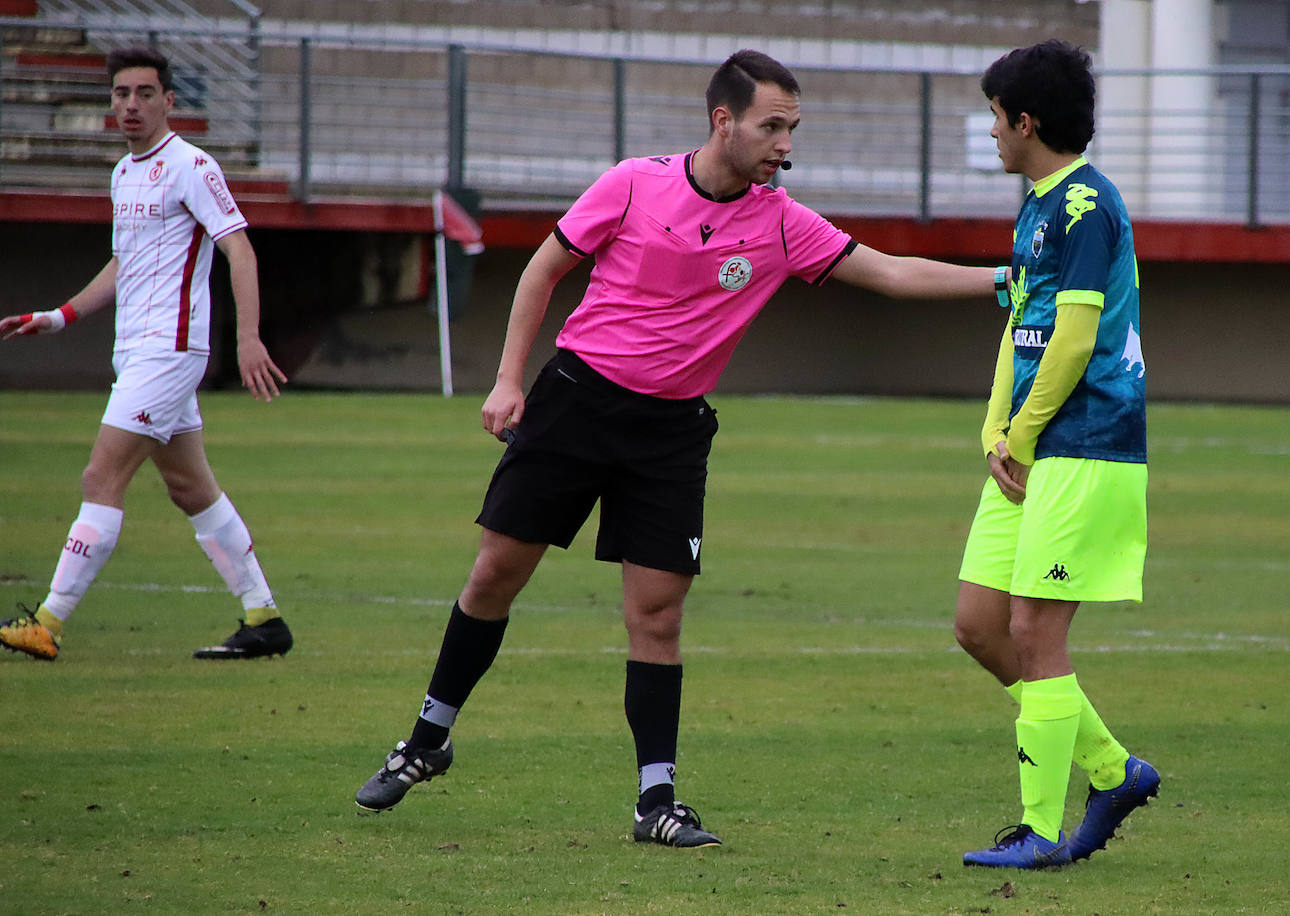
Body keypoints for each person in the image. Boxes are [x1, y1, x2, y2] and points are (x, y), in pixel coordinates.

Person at [353, 49, 1004, 847]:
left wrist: (1003, 281)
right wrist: (506, 379)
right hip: (575, 403)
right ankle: (426, 741)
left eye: (793, 129)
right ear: (721, 121)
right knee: (495, 575)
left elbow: (893, 274)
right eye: (772, 127)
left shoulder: (781, 220)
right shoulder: (632, 182)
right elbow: (542, 271)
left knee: (656, 616)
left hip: (670, 433)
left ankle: (656, 803)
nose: (785, 146)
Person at [0, 47, 293, 662]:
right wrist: (60, 315)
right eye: (120, 95)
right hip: (136, 353)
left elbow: (240, 250)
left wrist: (247, 338)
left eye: (144, 93)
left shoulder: (192, 166)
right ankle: (264, 617)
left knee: (100, 477)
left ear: (169, 100)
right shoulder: (123, 173)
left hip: (170, 351)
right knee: (191, 488)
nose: (131, 105)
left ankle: (47, 622)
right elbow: (122, 263)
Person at [953, 40, 1159, 869]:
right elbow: (1024, 324)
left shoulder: (1087, 208)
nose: (992, 131)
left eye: (996, 116)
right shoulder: (1037, 204)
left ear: (1026, 121)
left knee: (1035, 631)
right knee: (979, 625)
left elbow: (1072, 339)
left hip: (1086, 445)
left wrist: (1026, 435)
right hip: (1030, 445)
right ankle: (1114, 772)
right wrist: (995, 428)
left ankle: (1041, 834)